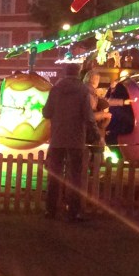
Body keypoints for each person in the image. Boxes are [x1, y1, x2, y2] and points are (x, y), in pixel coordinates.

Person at [42, 62, 97, 221]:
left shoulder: (56, 89)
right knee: (75, 177)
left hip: (58, 138)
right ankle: (74, 211)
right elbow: (88, 115)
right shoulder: (82, 90)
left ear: (65, 72)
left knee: (54, 175)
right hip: (76, 138)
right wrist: (95, 134)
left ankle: (51, 210)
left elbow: (46, 112)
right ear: (78, 73)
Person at [82, 68, 111, 212]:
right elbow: (89, 116)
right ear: (94, 80)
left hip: (89, 129)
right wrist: (103, 115)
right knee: (95, 151)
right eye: (97, 79)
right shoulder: (89, 94)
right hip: (90, 129)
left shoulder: (88, 92)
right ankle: (92, 184)